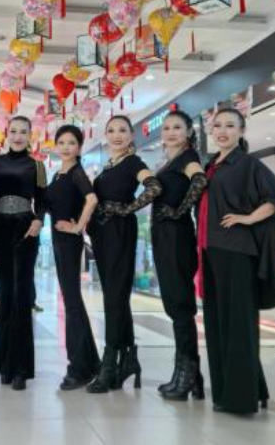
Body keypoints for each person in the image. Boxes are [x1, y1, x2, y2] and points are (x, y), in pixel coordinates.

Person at [197, 108, 275, 414]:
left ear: (241, 130)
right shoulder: (212, 165)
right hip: (211, 250)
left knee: (238, 323)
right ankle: (241, 390)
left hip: (236, 251)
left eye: (230, 126)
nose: (222, 131)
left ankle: (240, 398)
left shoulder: (248, 164)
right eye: (218, 125)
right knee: (219, 323)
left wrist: (247, 219)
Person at [87, 115, 160, 394]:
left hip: (119, 233)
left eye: (122, 130)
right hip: (102, 235)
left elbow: (154, 187)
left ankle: (109, 364)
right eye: (111, 130)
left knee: (114, 299)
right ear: (105, 135)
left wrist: (126, 209)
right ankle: (128, 359)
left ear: (131, 135)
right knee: (114, 296)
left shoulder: (132, 162)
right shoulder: (109, 165)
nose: (116, 135)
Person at [150, 111, 207, 401]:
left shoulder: (187, 158)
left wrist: (179, 211)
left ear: (188, 132)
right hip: (165, 237)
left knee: (180, 306)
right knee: (175, 305)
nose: (171, 132)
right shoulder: (171, 161)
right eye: (167, 128)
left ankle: (186, 376)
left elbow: (200, 180)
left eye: (177, 127)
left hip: (176, 237)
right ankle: (189, 375)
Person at [0, 116, 46, 391]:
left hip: (25, 228)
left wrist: (39, 221)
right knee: (6, 293)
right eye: (13, 131)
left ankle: (21, 368)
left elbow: (43, 200)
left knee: (22, 295)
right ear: (6, 134)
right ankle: (5, 366)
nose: (18, 136)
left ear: (30, 135)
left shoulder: (36, 165)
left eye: (24, 131)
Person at [44, 125, 100, 391]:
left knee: (72, 302)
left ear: (79, 147)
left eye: (72, 143)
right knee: (72, 301)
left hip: (68, 241)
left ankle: (78, 368)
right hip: (59, 240)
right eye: (62, 142)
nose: (66, 147)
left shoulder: (77, 172)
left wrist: (78, 227)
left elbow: (92, 199)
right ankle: (90, 362)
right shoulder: (59, 173)